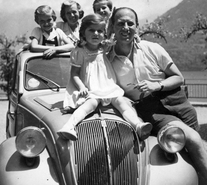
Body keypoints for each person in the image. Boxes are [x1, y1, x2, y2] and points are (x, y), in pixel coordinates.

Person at [107, 7, 207, 185]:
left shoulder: (152, 48)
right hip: (152, 111)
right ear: (112, 26)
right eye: (120, 23)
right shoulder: (108, 59)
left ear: (137, 26)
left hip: (178, 103)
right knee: (192, 140)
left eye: (130, 23)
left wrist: (156, 85)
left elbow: (178, 77)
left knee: (191, 153)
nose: (125, 27)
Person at [58, 13, 152, 141]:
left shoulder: (105, 47)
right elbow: (74, 74)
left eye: (100, 31)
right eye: (91, 30)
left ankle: (138, 125)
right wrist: (81, 87)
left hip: (107, 86)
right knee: (90, 104)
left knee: (120, 102)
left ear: (104, 33)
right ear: (83, 32)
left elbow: (122, 38)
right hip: (90, 87)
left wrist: (135, 36)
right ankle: (69, 126)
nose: (96, 34)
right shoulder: (79, 51)